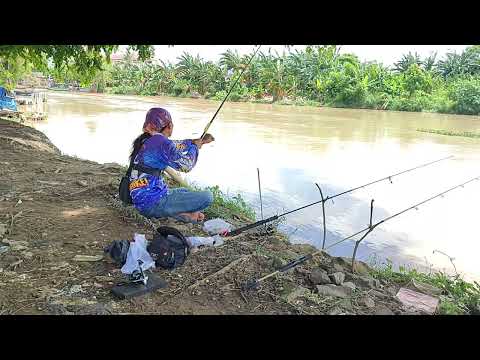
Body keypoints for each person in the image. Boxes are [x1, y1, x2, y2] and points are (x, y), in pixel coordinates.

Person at [129, 107, 214, 223]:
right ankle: (186, 215)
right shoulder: (161, 143)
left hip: (142, 199)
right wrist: (195, 148)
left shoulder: (148, 139)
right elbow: (187, 165)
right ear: (169, 125)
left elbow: (176, 145)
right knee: (207, 196)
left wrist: (194, 142)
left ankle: (186, 214)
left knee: (183, 190)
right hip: (152, 203)